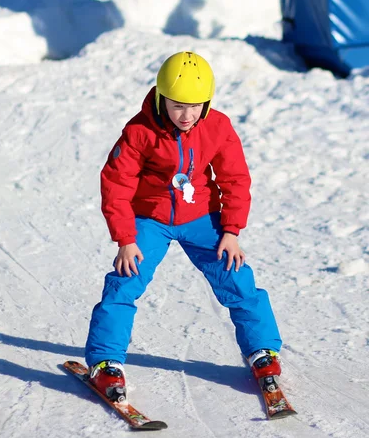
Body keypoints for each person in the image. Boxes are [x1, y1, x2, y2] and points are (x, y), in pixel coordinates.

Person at [85, 51, 282, 401]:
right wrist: (126, 239)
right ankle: (105, 362)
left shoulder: (217, 126)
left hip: (201, 217)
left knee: (236, 275)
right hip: (150, 219)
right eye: (177, 106)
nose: (187, 115)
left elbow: (235, 179)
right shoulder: (139, 132)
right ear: (161, 97)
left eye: (196, 106)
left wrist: (231, 231)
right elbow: (116, 183)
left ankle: (262, 351)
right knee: (125, 281)